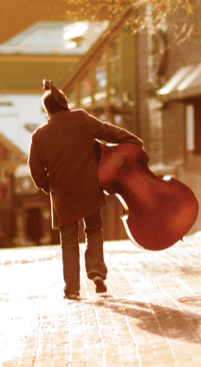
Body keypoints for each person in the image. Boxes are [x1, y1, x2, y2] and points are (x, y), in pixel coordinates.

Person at [28, 79, 143, 300]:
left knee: (69, 240)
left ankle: (72, 289)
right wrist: (133, 141)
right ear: (64, 103)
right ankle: (97, 271)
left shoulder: (39, 135)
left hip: (62, 195)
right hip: (89, 188)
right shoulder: (80, 118)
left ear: (47, 110)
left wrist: (47, 186)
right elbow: (108, 132)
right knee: (94, 229)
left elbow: (35, 170)